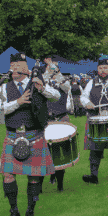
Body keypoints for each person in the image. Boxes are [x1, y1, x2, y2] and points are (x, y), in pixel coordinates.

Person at [0, 53, 59, 216]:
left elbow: (57, 96)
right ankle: (13, 211)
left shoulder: (37, 82)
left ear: (26, 68)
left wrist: (42, 89)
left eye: (19, 65)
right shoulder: (4, 87)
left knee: (34, 176)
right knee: (8, 175)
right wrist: (18, 102)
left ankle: (30, 211)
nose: (15, 68)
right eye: (12, 65)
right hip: (12, 135)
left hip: (34, 135)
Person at [42, 56, 75, 193]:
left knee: (59, 151)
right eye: (50, 66)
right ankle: (44, 180)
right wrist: (47, 73)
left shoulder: (63, 80)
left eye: (55, 66)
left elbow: (67, 88)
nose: (53, 68)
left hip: (60, 118)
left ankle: (60, 184)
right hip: (45, 119)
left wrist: (57, 74)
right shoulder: (42, 80)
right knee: (44, 152)